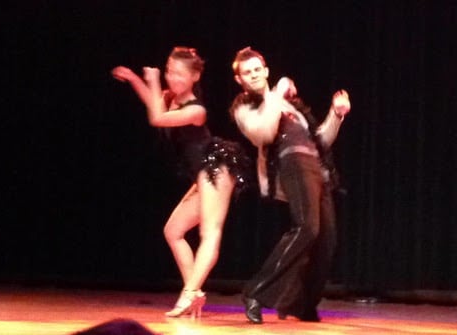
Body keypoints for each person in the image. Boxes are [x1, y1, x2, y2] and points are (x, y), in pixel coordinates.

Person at [111, 47, 250, 319]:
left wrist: (151, 81)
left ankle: (189, 294)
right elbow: (154, 103)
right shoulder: (170, 98)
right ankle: (194, 292)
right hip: (202, 174)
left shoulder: (196, 109)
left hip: (217, 168)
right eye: (169, 72)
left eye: (179, 74)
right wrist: (134, 79)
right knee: (173, 230)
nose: (172, 78)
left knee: (210, 232)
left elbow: (157, 118)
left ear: (195, 76)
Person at [229, 47, 351, 324]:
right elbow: (263, 132)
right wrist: (277, 93)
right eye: (247, 72)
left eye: (257, 69)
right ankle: (255, 292)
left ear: (266, 70)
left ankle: (301, 304)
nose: (254, 75)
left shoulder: (290, 104)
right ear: (240, 80)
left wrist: (336, 114)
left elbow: (319, 140)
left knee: (326, 239)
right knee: (307, 227)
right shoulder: (244, 107)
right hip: (290, 162)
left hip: (316, 168)